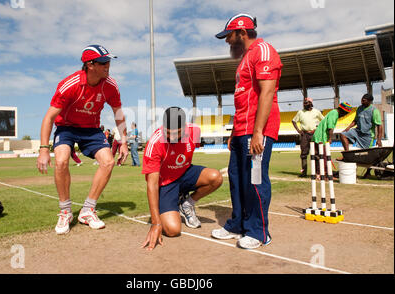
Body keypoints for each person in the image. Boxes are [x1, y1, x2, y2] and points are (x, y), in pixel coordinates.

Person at [37, 44, 129, 235]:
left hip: (91, 130)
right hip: (66, 128)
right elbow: (49, 118)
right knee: (61, 161)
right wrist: (44, 149)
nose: (107, 66)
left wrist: (124, 142)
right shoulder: (69, 85)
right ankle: (65, 211)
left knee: (108, 162)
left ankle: (87, 210)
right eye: (103, 62)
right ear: (89, 65)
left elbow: (118, 113)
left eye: (108, 61)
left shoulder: (110, 85)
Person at [212, 13, 283, 250]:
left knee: (255, 180)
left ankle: (259, 232)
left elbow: (267, 92)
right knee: (237, 179)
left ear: (241, 33)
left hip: (257, 130)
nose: (227, 41)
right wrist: (235, 132)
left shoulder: (264, 51)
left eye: (229, 36)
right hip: (242, 130)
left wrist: (258, 132)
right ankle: (238, 225)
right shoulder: (245, 58)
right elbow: (244, 100)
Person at [141, 107, 223, 251]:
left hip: (185, 173)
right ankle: (174, 199)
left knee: (216, 177)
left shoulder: (194, 131)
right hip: (167, 184)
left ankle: (187, 203)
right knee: (172, 230)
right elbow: (152, 185)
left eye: (177, 133)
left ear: (184, 128)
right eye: (168, 132)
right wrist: (155, 223)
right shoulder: (155, 143)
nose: (172, 136)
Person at [292, 98, 324, 177]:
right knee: (303, 154)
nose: (305, 104)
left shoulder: (316, 111)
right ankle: (304, 173)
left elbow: (323, 121)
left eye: (307, 103)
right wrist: (298, 131)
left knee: (316, 154)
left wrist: (318, 129)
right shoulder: (300, 112)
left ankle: (317, 173)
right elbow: (293, 121)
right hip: (304, 135)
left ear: (311, 103)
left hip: (314, 134)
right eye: (304, 103)